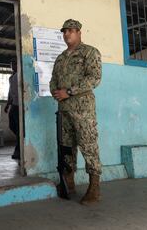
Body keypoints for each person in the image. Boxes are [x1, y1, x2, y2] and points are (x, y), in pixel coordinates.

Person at [50, 19, 102, 205]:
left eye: (71, 31)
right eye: (65, 31)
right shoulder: (61, 57)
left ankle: (94, 188)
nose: (67, 34)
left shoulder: (90, 52)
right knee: (66, 146)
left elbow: (95, 78)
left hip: (83, 109)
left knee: (88, 145)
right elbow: (54, 79)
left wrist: (68, 92)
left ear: (79, 32)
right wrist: (56, 92)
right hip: (64, 109)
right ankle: (69, 182)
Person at [4, 59, 20, 160]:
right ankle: (21, 138)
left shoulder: (20, 75)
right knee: (12, 126)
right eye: (11, 64)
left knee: (19, 128)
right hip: (14, 104)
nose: (12, 66)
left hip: (19, 105)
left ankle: (18, 150)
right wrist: (7, 104)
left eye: (14, 64)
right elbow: (10, 92)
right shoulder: (11, 77)